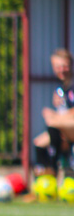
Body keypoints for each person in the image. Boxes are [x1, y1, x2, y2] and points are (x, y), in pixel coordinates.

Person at [32, 49, 74, 177]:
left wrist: (56, 117)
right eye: (57, 67)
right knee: (39, 143)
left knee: (52, 121)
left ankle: (54, 169)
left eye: (64, 66)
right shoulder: (60, 88)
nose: (61, 70)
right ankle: (45, 176)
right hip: (65, 129)